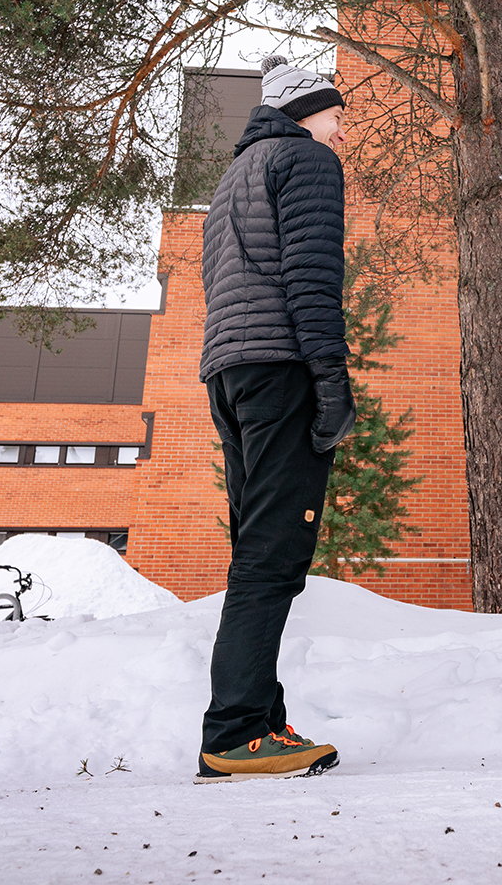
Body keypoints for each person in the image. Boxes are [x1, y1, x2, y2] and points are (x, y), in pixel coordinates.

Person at [194, 55, 356, 782]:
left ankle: (257, 720)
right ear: (306, 113)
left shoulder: (234, 176)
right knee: (273, 555)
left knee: (254, 549)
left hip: (228, 375)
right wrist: (331, 380)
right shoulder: (306, 162)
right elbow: (312, 279)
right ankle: (233, 733)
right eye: (335, 115)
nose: (341, 130)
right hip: (281, 367)